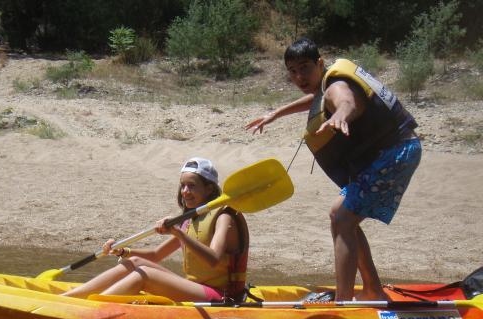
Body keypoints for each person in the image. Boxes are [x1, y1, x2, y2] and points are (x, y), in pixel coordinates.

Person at [246, 37, 421, 301]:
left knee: (342, 218)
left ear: (320, 63)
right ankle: (372, 290)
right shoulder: (327, 85)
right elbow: (317, 99)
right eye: (292, 71)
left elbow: (346, 101)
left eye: (305, 68)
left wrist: (340, 116)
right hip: (395, 150)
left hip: (396, 152)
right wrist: (276, 113)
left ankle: (343, 302)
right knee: (342, 217)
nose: (299, 77)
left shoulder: (336, 86)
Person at [62, 157, 249, 302]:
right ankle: (69, 299)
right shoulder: (191, 219)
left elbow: (213, 260)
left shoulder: (224, 217)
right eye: (183, 185)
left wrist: (178, 233)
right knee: (134, 262)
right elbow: (156, 255)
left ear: (209, 189)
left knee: (145, 274)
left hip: (222, 295)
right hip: (196, 287)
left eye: (192, 186)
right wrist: (123, 251)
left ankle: (93, 306)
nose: (185, 191)